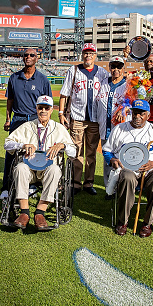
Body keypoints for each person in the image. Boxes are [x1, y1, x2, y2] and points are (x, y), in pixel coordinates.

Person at [4, 96, 76, 230]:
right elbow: (7, 144)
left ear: (51, 110)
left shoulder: (59, 128)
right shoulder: (27, 126)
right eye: (40, 108)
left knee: (55, 170)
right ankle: (24, 213)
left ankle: (40, 213)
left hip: (48, 171)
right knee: (20, 167)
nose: (43, 111)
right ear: (36, 109)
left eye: (46, 108)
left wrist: (62, 146)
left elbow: (73, 153)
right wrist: (22, 145)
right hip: (29, 171)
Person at [102, 99, 153, 237]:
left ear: (148, 115)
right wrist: (112, 160)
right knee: (127, 177)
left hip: (148, 169)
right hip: (127, 168)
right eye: (135, 113)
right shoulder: (120, 129)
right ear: (131, 113)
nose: (137, 117)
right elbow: (107, 150)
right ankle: (123, 221)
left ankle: (147, 223)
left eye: (142, 114)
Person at [1, 48, 52, 200]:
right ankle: (6, 187)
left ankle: (31, 185)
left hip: (35, 120)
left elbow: (48, 105)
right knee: (11, 153)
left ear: (37, 58)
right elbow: (10, 100)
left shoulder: (43, 79)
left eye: (32, 55)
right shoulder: (14, 77)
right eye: (25, 55)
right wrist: (8, 118)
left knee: (34, 153)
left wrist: (46, 122)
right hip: (18, 119)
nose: (28, 57)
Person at [58, 43, 109, 195]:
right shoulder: (73, 70)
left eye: (91, 53)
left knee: (91, 152)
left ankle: (89, 183)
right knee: (77, 152)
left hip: (95, 119)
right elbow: (64, 94)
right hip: (77, 117)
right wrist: (61, 113)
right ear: (82, 55)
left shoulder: (103, 73)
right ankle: (75, 183)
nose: (88, 56)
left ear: (95, 55)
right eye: (86, 53)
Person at [94, 55, 129, 196]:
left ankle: (122, 186)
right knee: (107, 157)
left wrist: (126, 108)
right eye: (113, 66)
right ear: (109, 68)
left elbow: (134, 103)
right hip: (104, 127)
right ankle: (109, 189)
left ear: (123, 68)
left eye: (119, 67)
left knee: (122, 158)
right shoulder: (103, 83)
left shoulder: (129, 85)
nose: (116, 69)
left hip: (121, 130)